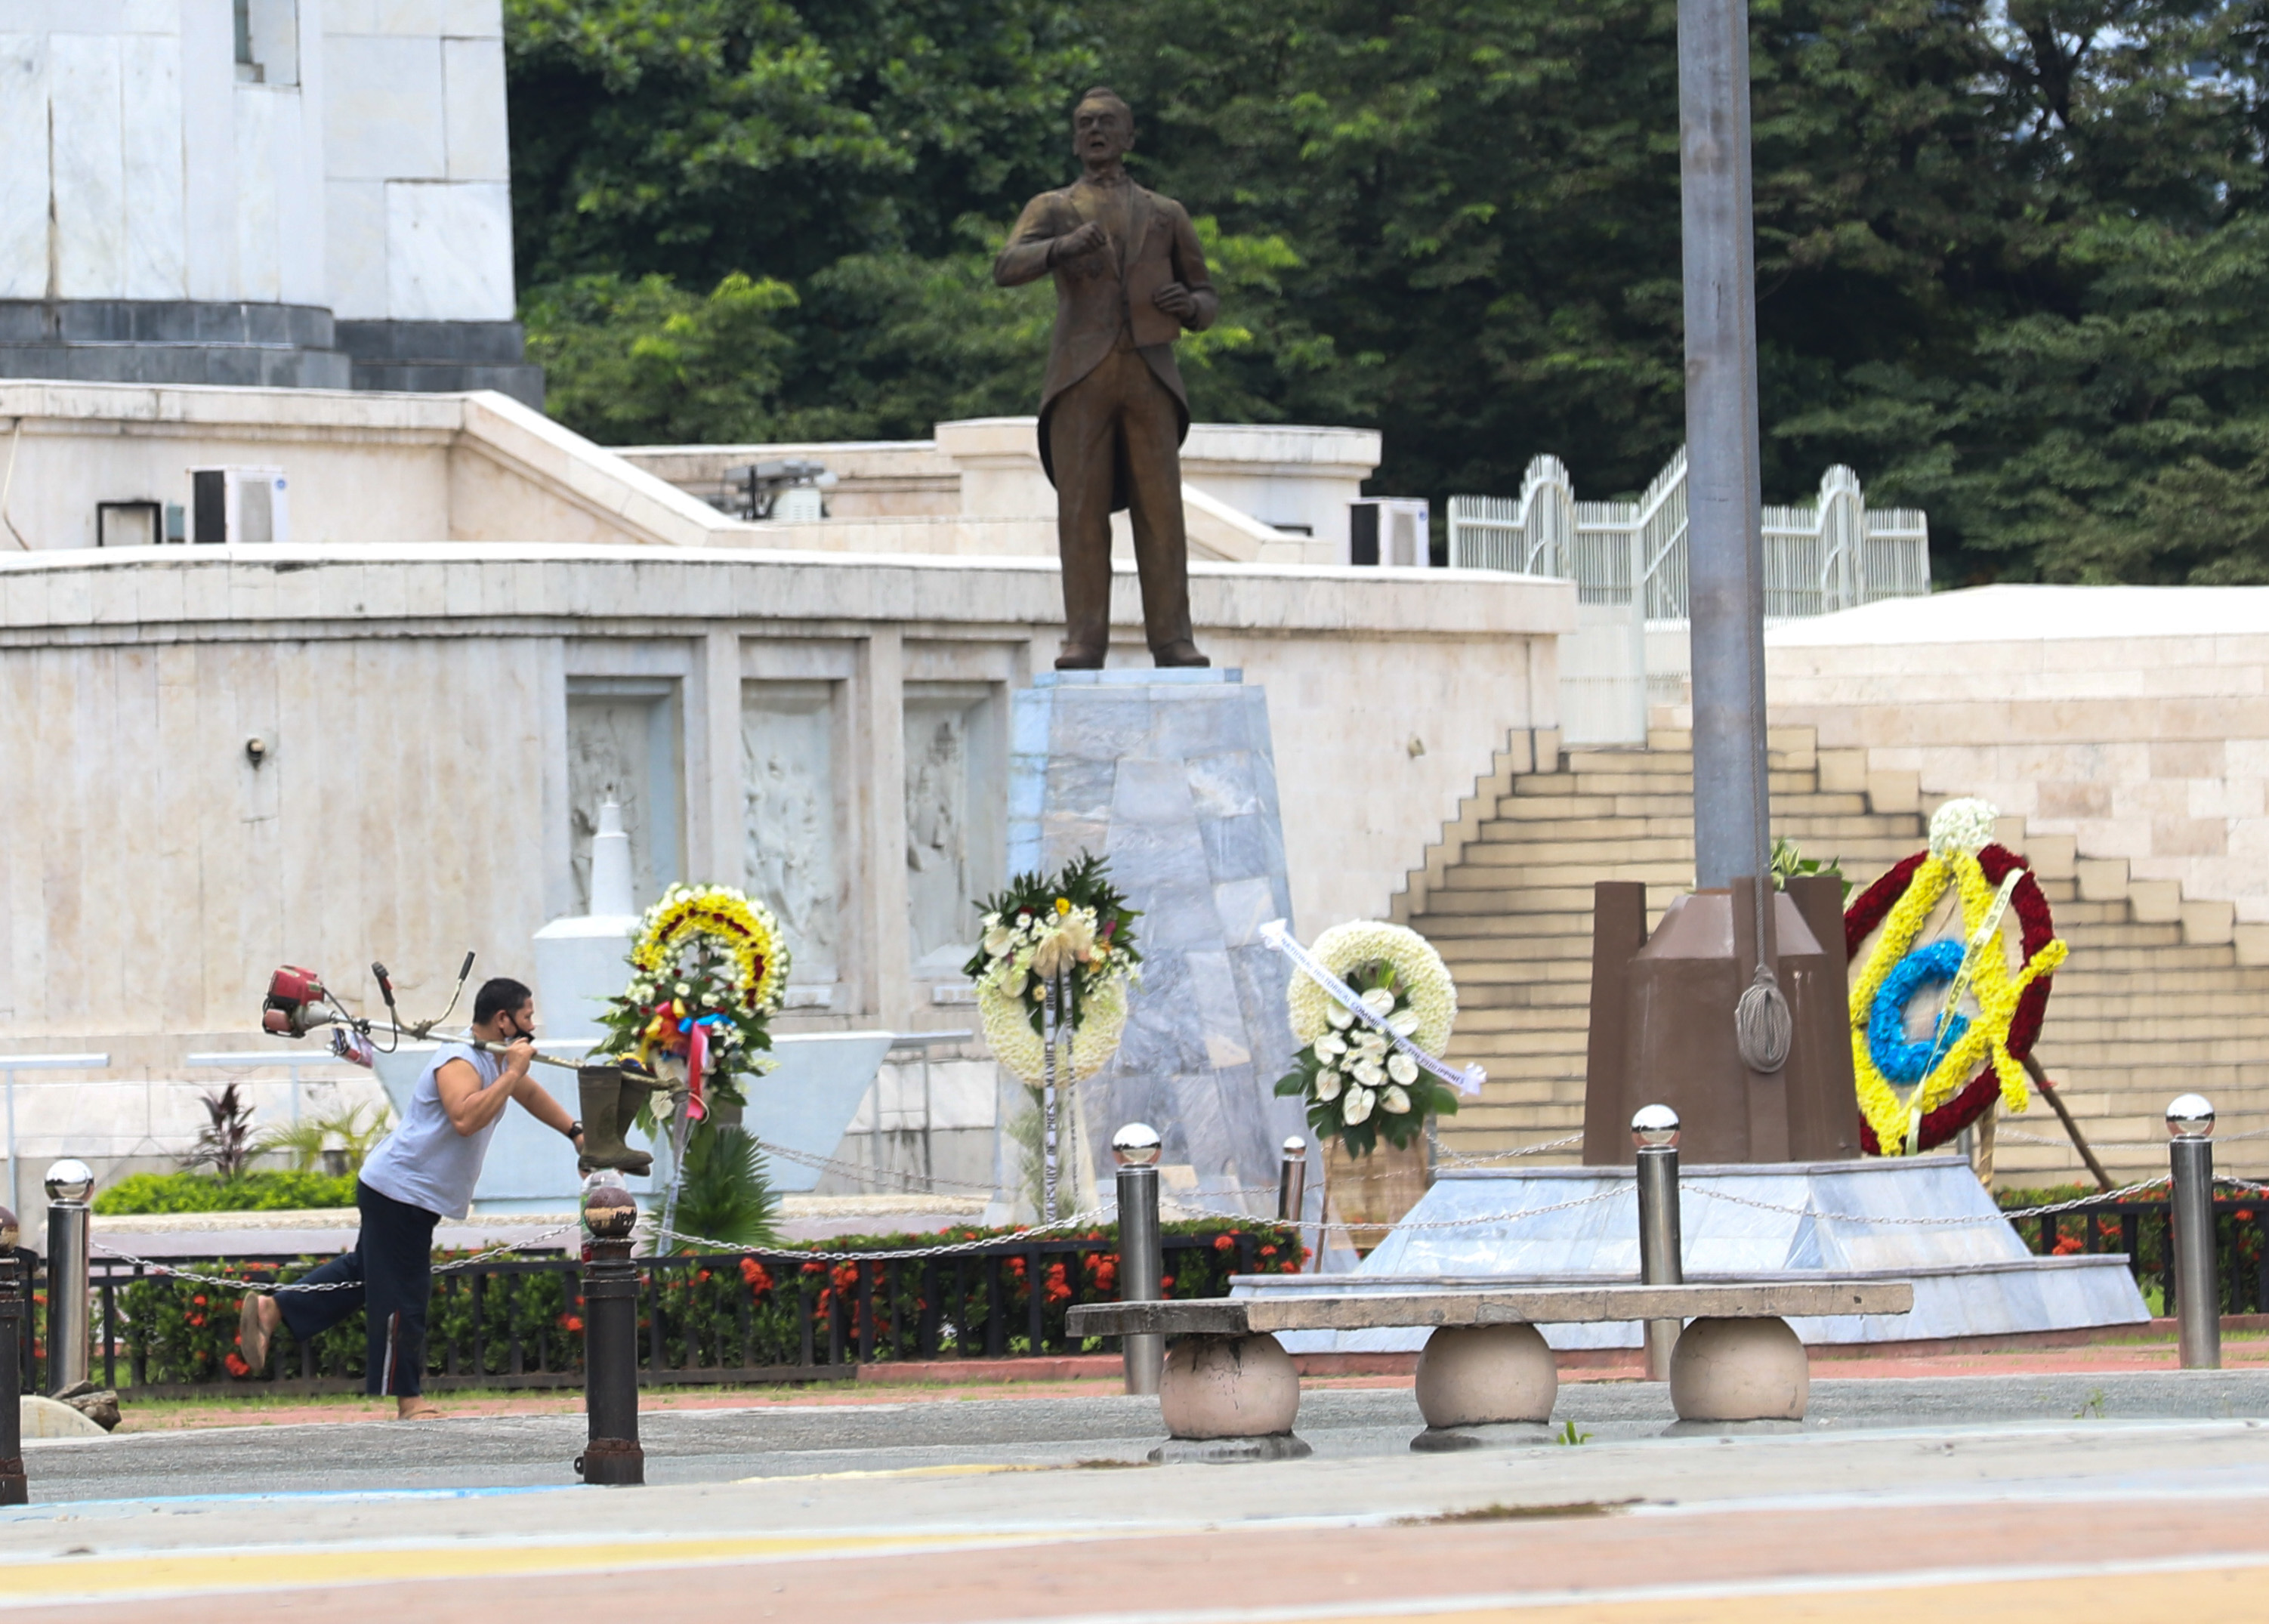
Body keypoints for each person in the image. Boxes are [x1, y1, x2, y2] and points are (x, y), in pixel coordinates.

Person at [236, 977, 582, 1419]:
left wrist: (575, 1132)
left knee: (364, 1276)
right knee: (406, 1295)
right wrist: (514, 1071)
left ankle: (274, 1308)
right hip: (399, 1192)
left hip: (407, 1195)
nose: (534, 1026)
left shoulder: (494, 1060)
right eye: (529, 1017)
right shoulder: (461, 1060)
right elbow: (464, 1118)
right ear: (503, 1020)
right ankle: (409, 1398)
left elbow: (529, 1093)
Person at [994, 86, 1219, 670]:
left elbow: (1206, 295)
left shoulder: (1166, 212)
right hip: (1081, 373)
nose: (1095, 131)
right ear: (1075, 140)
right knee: (1081, 509)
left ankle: (1172, 638)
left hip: (1150, 372)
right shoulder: (1052, 207)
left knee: (1161, 509)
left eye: (1107, 123)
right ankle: (1084, 638)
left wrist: (1188, 306)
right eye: (1085, 124)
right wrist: (1062, 248)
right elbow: (1006, 266)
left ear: (1129, 137)